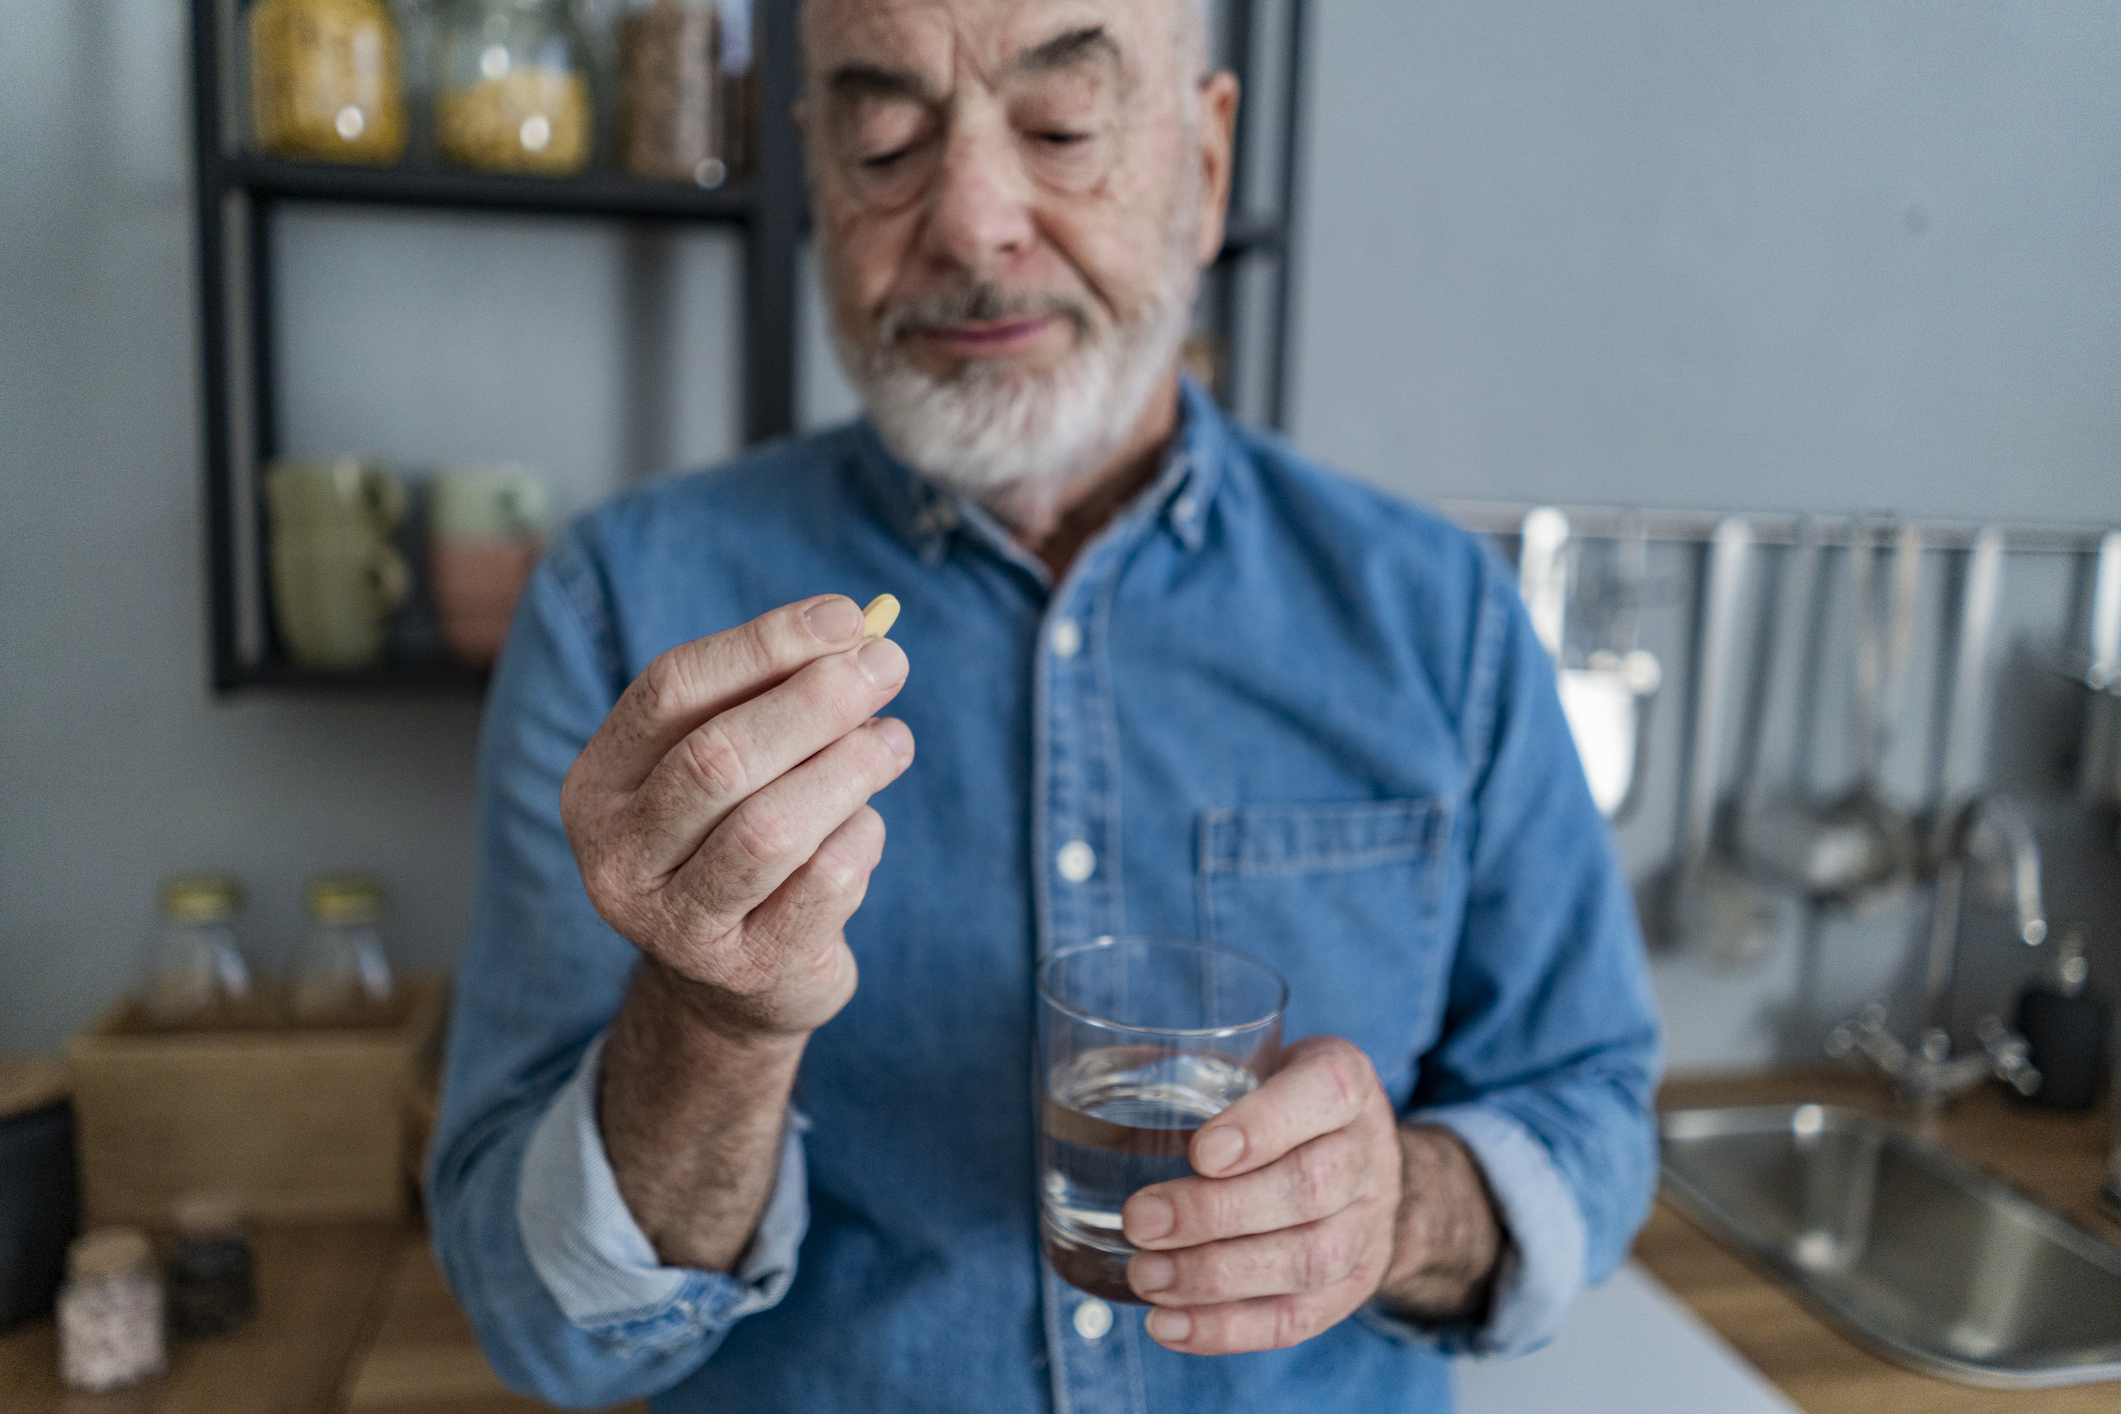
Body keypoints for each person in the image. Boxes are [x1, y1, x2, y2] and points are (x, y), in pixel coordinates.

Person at [428, 0, 1661, 1409]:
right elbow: (541, 1331)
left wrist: (1405, 1208)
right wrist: (712, 1023)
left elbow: (1590, 1106)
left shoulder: (1438, 615)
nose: (969, 222)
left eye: (1062, 128)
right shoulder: (623, 611)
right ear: (815, 170)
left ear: (1203, 166)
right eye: (885, 138)